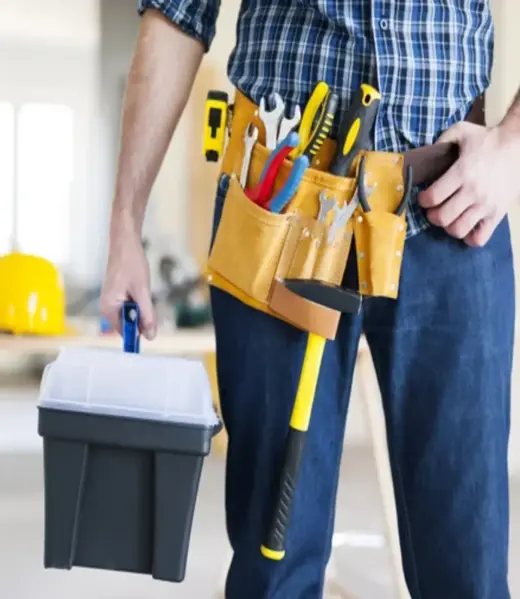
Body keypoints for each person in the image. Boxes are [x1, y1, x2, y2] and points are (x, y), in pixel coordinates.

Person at [100, 3, 520, 598]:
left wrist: (513, 143)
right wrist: (125, 224)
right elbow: (176, 11)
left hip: (454, 210)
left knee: (468, 568)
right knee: (275, 559)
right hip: (277, 211)